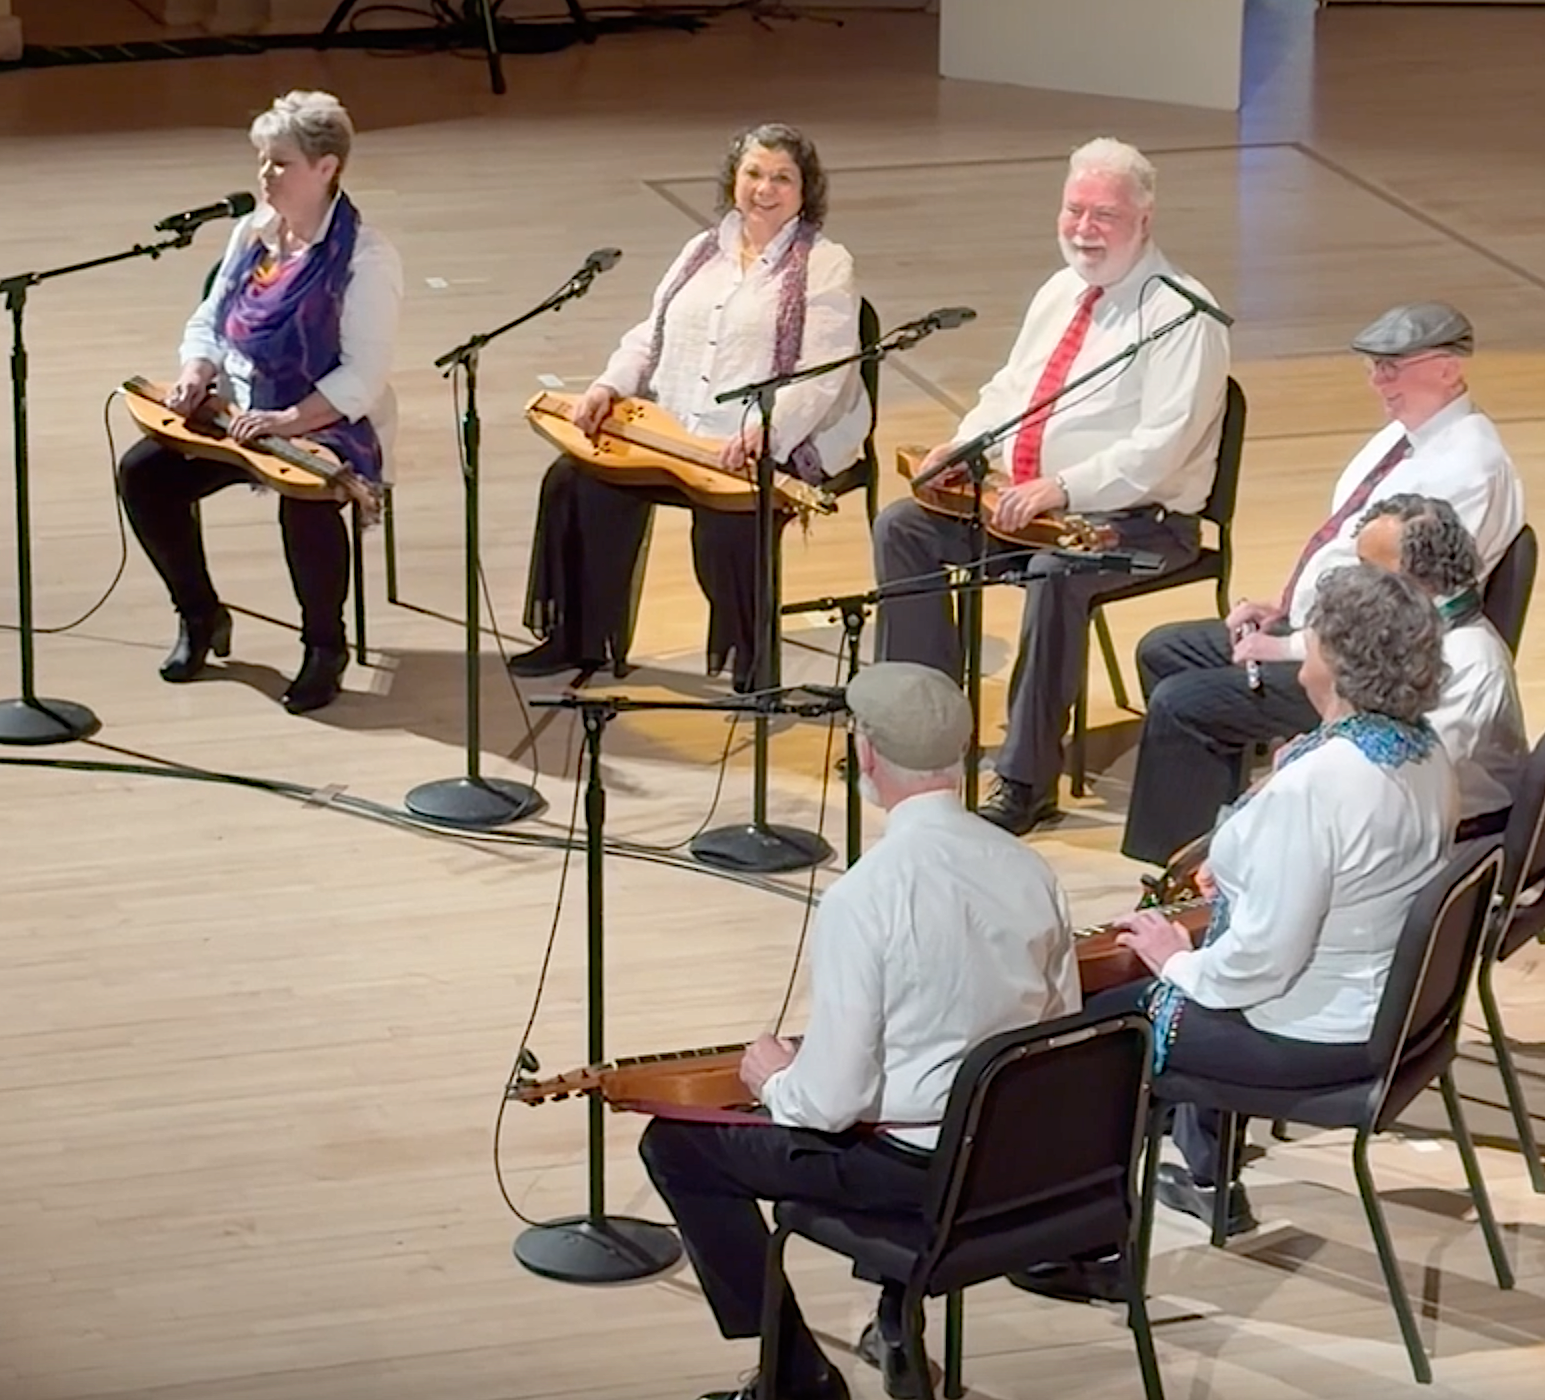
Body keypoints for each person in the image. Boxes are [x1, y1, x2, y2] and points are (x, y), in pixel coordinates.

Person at [1014, 564, 1456, 1305]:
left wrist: (1179, 961)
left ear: (1338, 660)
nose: (1299, 646)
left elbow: (1259, 963)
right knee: (1148, 989)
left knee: (1087, 1032)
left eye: (1308, 635)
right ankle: (1203, 1175)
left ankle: (1088, 1245)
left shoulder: (1317, 787)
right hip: (1388, 1014)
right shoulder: (1423, 751)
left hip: (1310, 1031)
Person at [638, 663, 1080, 1400]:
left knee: (678, 1146)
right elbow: (1057, 1030)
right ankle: (892, 1318)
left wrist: (773, 1078)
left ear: (866, 753)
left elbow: (830, 1103)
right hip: (1012, 1160)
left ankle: (796, 1375)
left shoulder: (864, 899)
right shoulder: (1030, 870)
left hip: (914, 1174)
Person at [871, 136, 1230, 836]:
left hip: (1141, 521)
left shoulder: (1184, 316)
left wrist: (1062, 486)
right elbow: (1014, 389)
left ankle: (1027, 778)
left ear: (1145, 222)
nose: (1084, 229)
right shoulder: (1061, 289)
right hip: (1027, 504)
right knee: (904, 526)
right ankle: (925, 737)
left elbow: (1160, 448)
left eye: (1104, 216)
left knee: (1053, 574)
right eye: (1074, 211)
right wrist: (965, 445)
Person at [1122, 301, 1525, 865]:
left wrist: (1291, 645)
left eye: (1394, 367)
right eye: (1373, 367)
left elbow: (1409, 611)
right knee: (1164, 650)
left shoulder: (1471, 468)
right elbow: (1344, 549)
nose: (1378, 381)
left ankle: (1184, 868)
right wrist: (1282, 608)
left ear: (1448, 368)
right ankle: (1226, 816)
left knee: (1183, 703)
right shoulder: (1401, 436)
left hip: (1374, 664)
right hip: (1327, 624)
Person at [513, 123, 869, 691]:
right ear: (734, 179)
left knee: (729, 522)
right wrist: (609, 385)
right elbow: (650, 338)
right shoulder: (702, 250)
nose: (764, 189)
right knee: (574, 481)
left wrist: (764, 429)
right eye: (754, 173)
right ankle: (578, 639)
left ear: (806, 191)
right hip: (674, 431)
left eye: (782, 178)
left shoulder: (826, 264)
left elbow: (824, 372)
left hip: (756, 440)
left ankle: (754, 665)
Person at [117, 89, 402, 715]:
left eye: (280, 163)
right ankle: (199, 613)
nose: (264, 175)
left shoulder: (365, 258)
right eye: (262, 160)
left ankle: (326, 647)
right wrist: (197, 368)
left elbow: (364, 376)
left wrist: (287, 419)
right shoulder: (254, 231)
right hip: (238, 412)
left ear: (326, 168)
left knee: (304, 502)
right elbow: (211, 321)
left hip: (322, 420)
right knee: (143, 475)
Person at [1353, 494, 1528, 835]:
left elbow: (1418, 776)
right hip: (1408, 811)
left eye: (1369, 572)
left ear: (1421, 579)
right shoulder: (1410, 628)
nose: (1356, 584)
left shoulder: (1472, 663)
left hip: (1453, 837)